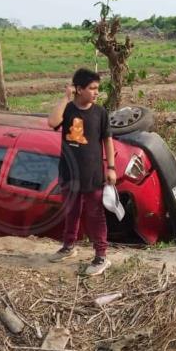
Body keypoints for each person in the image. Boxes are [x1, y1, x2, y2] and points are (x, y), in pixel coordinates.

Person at [47, 68, 116, 276]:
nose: (96, 92)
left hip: (93, 174)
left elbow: (108, 141)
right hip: (69, 173)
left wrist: (111, 167)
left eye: (97, 89)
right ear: (79, 89)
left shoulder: (100, 113)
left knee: (95, 215)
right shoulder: (68, 110)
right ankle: (69, 246)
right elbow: (52, 122)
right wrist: (65, 97)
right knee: (72, 211)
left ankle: (101, 256)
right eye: (92, 88)